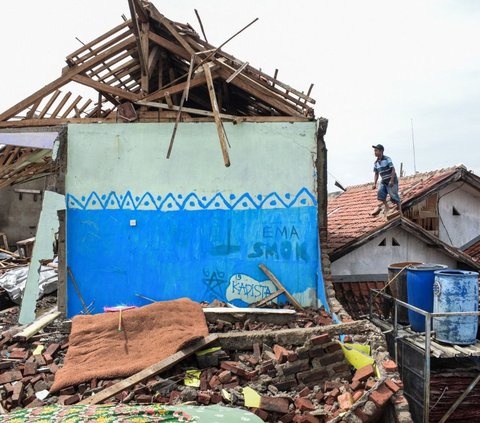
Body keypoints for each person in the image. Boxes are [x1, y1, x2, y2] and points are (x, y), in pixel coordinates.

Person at [371, 144, 402, 216]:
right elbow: (376, 173)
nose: (375, 152)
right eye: (374, 151)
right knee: (380, 193)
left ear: (381, 151)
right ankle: (387, 207)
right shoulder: (376, 163)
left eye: (376, 150)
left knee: (393, 195)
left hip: (392, 179)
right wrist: (374, 184)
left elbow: (393, 169)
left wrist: (391, 180)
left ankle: (400, 211)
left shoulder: (387, 159)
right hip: (384, 180)